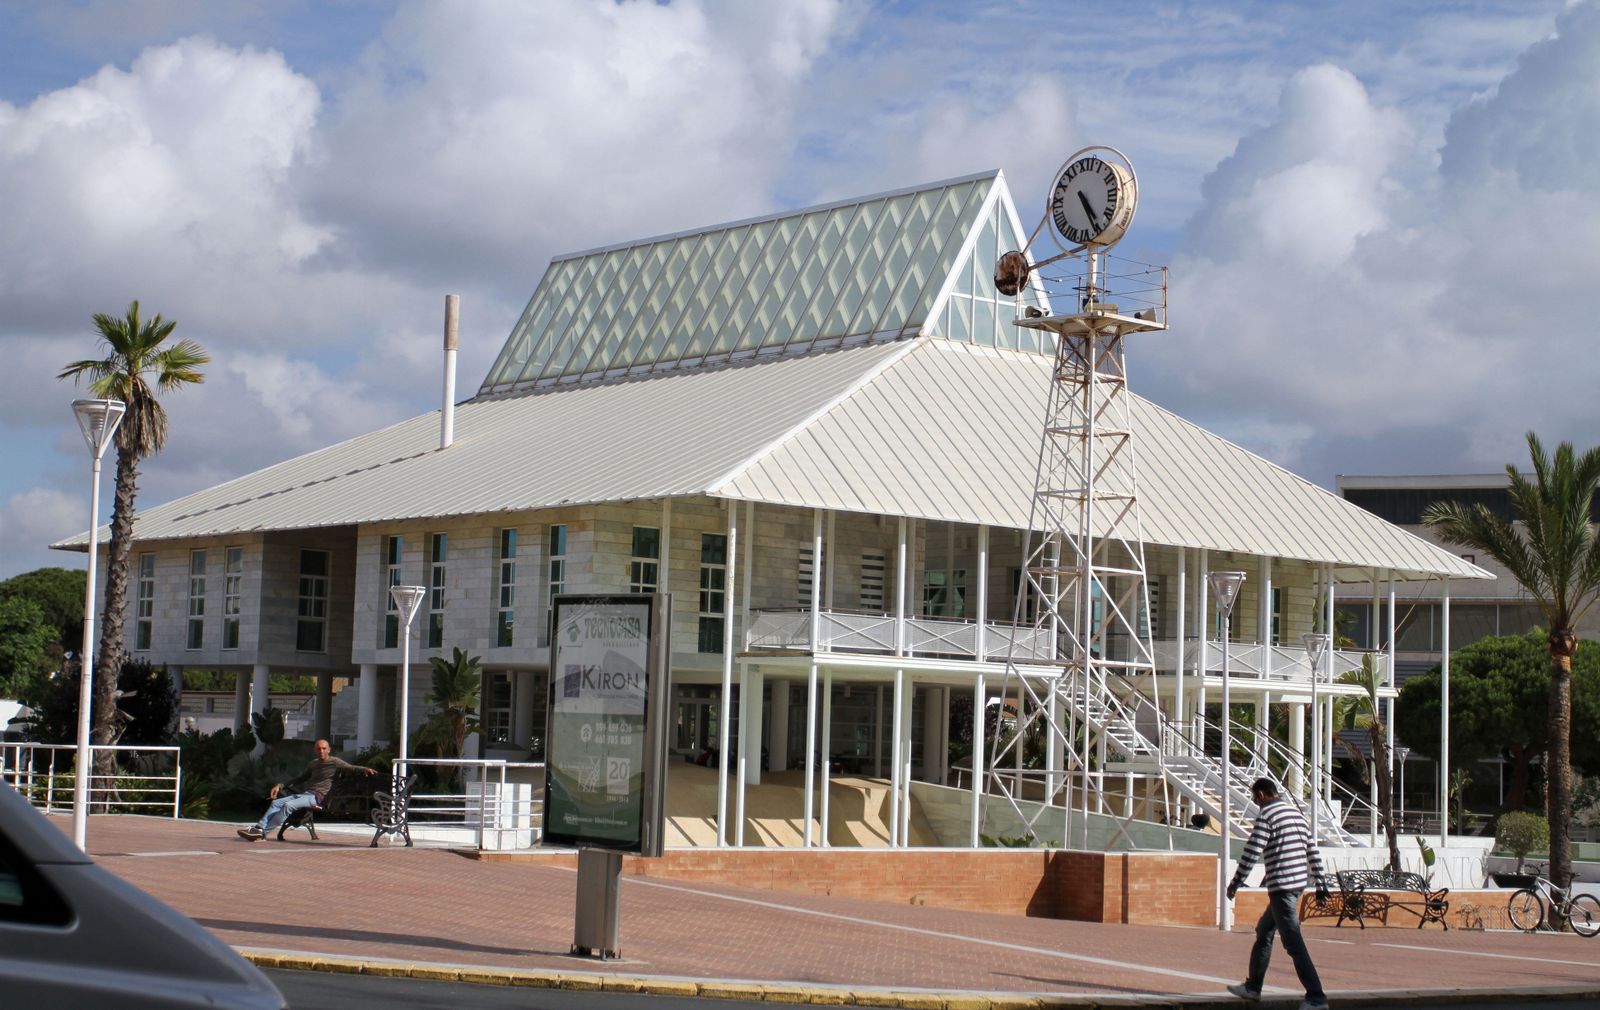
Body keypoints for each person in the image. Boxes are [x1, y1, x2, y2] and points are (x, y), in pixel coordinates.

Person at [1225, 777, 1330, 1010]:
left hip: (1282, 887)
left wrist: (1236, 882)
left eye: (1255, 798)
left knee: (1293, 942)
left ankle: (1316, 997)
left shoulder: (1267, 815)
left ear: (1262, 794)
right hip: (1297, 884)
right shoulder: (1295, 814)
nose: (1256, 802)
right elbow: (1311, 849)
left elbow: (1253, 850)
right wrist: (1320, 881)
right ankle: (1253, 987)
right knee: (1264, 931)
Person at [236, 739, 375, 841]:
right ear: (315, 750)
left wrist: (365, 769)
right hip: (306, 795)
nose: (321, 751)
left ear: (329, 750)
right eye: (319, 749)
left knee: (288, 805)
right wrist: (281, 785)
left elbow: (351, 767)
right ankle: (259, 828)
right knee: (276, 803)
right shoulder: (313, 764)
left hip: (318, 798)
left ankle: (263, 833)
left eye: (324, 748)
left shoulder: (335, 762)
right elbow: (300, 778)